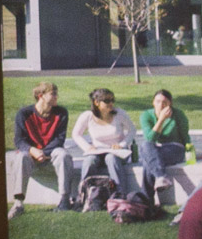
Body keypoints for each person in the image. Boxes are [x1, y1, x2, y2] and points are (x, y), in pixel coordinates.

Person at [7, 82, 75, 218]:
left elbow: (59, 140)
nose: (57, 96)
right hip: (30, 154)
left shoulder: (61, 113)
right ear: (41, 96)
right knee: (20, 156)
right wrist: (32, 150)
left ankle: (65, 200)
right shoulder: (24, 114)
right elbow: (19, 141)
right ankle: (18, 203)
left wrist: (43, 153)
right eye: (53, 94)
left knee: (64, 155)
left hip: (50, 153)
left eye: (56, 93)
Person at [72, 87, 144, 196]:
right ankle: (84, 193)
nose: (111, 103)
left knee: (110, 158)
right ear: (96, 102)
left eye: (112, 100)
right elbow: (76, 134)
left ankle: (120, 193)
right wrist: (87, 147)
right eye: (107, 101)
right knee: (89, 160)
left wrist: (122, 144)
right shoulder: (88, 116)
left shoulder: (119, 114)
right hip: (98, 151)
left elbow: (132, 130)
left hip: (118, 152)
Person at [143, 89, 191, 195]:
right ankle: (161, 178)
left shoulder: (178, 114)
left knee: (148, 161)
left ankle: (147, 204)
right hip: (155, 149)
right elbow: (150, 139)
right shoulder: (146, 115)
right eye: (158, 101)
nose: (161, 105)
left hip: (175, 148)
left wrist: (191, 156)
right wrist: (161, 120)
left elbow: (185, 136)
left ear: (170, 103)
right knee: (146, 147)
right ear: (153, 102)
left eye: (164, 102)